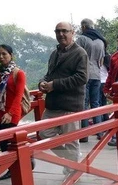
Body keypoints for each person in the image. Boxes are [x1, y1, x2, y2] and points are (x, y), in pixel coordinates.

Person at [38, 22, 88, 176]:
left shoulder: (80, 53)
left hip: (70, 105)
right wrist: (43, 82)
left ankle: (72, 170)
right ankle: (72, 161)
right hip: (53, 104)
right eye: (58, 31)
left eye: (64, 31)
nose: (61, 34)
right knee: (43, 134)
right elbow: (49, 74)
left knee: (71, 141)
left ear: (72, 33)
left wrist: (55, 85)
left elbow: (82, 78)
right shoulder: (55, 53)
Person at [0, 44, 34, 181]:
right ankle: (24, 160)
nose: (1, 57)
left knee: (9, 142)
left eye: (4, 54)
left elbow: (18, 96)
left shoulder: (18, 73)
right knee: (1, 142)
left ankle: (13, 169)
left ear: (11, 55)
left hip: (12, 112)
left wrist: (10, 113)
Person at [76, 18, 105, 142]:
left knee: (84, 104)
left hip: (84, 74)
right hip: (96, 74)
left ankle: (85, 134)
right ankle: (99, 132)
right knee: (96, 103)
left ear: (83, 27)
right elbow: (101, 60)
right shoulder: (100, 41)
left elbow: (76, 56)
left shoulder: (82, 39)